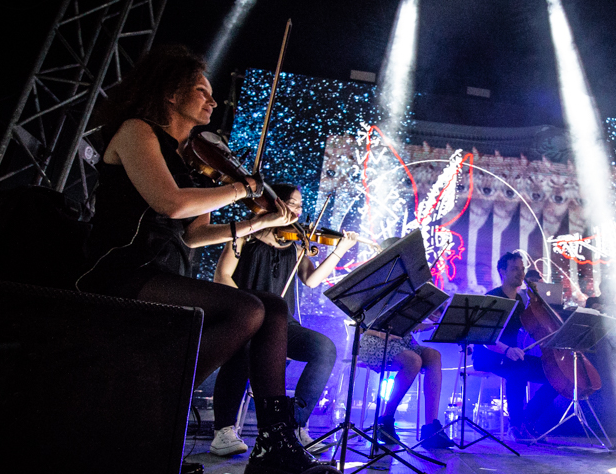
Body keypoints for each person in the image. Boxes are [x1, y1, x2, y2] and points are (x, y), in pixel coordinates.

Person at [77, 44, 321, 474]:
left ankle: (275, 442)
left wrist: (259, 222)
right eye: (201, 91)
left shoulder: (186, 159)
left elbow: (193, 235)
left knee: (273, 308)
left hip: (164, 273)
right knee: (246, 309)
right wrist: (244, 189)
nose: (212, 100)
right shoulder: (136, 132)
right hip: (122, 273)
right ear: (171, 93)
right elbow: (170, 204)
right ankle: (153, 407)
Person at [208, 184, 360, 456]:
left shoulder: (296, 244)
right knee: (244, 346)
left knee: (324, 349)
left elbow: (312, 280)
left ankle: (295, 424)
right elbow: (222, 276)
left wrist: (340, 249)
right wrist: (248, 308)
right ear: (273, 202)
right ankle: (223, 430)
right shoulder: (244, 234)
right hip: (246, 318)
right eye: (292, 203)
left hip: (281, 325)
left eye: (301, 206)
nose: (298, 211)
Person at [357, 238, 455, 449]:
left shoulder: (408, 286)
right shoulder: (374, 285)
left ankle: (431, 427)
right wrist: (385, 334)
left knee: (433, 355)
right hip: (375, 340)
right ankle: (386, 419)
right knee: (413, 360)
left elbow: (406, 323)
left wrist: (427, 320)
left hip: (402, 341)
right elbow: (361, 325)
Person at [472, 252, 561, 443]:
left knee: (557, 375)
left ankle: (527, 420)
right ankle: (516, 426)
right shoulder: (493, 298)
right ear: (502, 271)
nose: (520, 274)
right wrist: (507, 350)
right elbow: (485, 337)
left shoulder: (520, 301)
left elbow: (531, 326)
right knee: (518, 371)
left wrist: (536, 302)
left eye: (522, 269)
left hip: (511, 356)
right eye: (514, 269)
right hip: (490, 356)